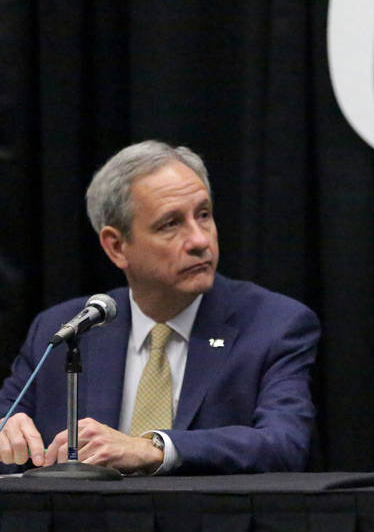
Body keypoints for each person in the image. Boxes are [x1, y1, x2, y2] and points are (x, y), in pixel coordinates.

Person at [0, 141, 320, 474]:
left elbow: (286, 443)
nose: (199, 241)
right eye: (170, 224)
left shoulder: (274, 324)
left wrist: (153, 447)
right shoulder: (65, 330)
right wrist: (7, 435)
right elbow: (6, 420)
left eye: (204, 215)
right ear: (117, 246)